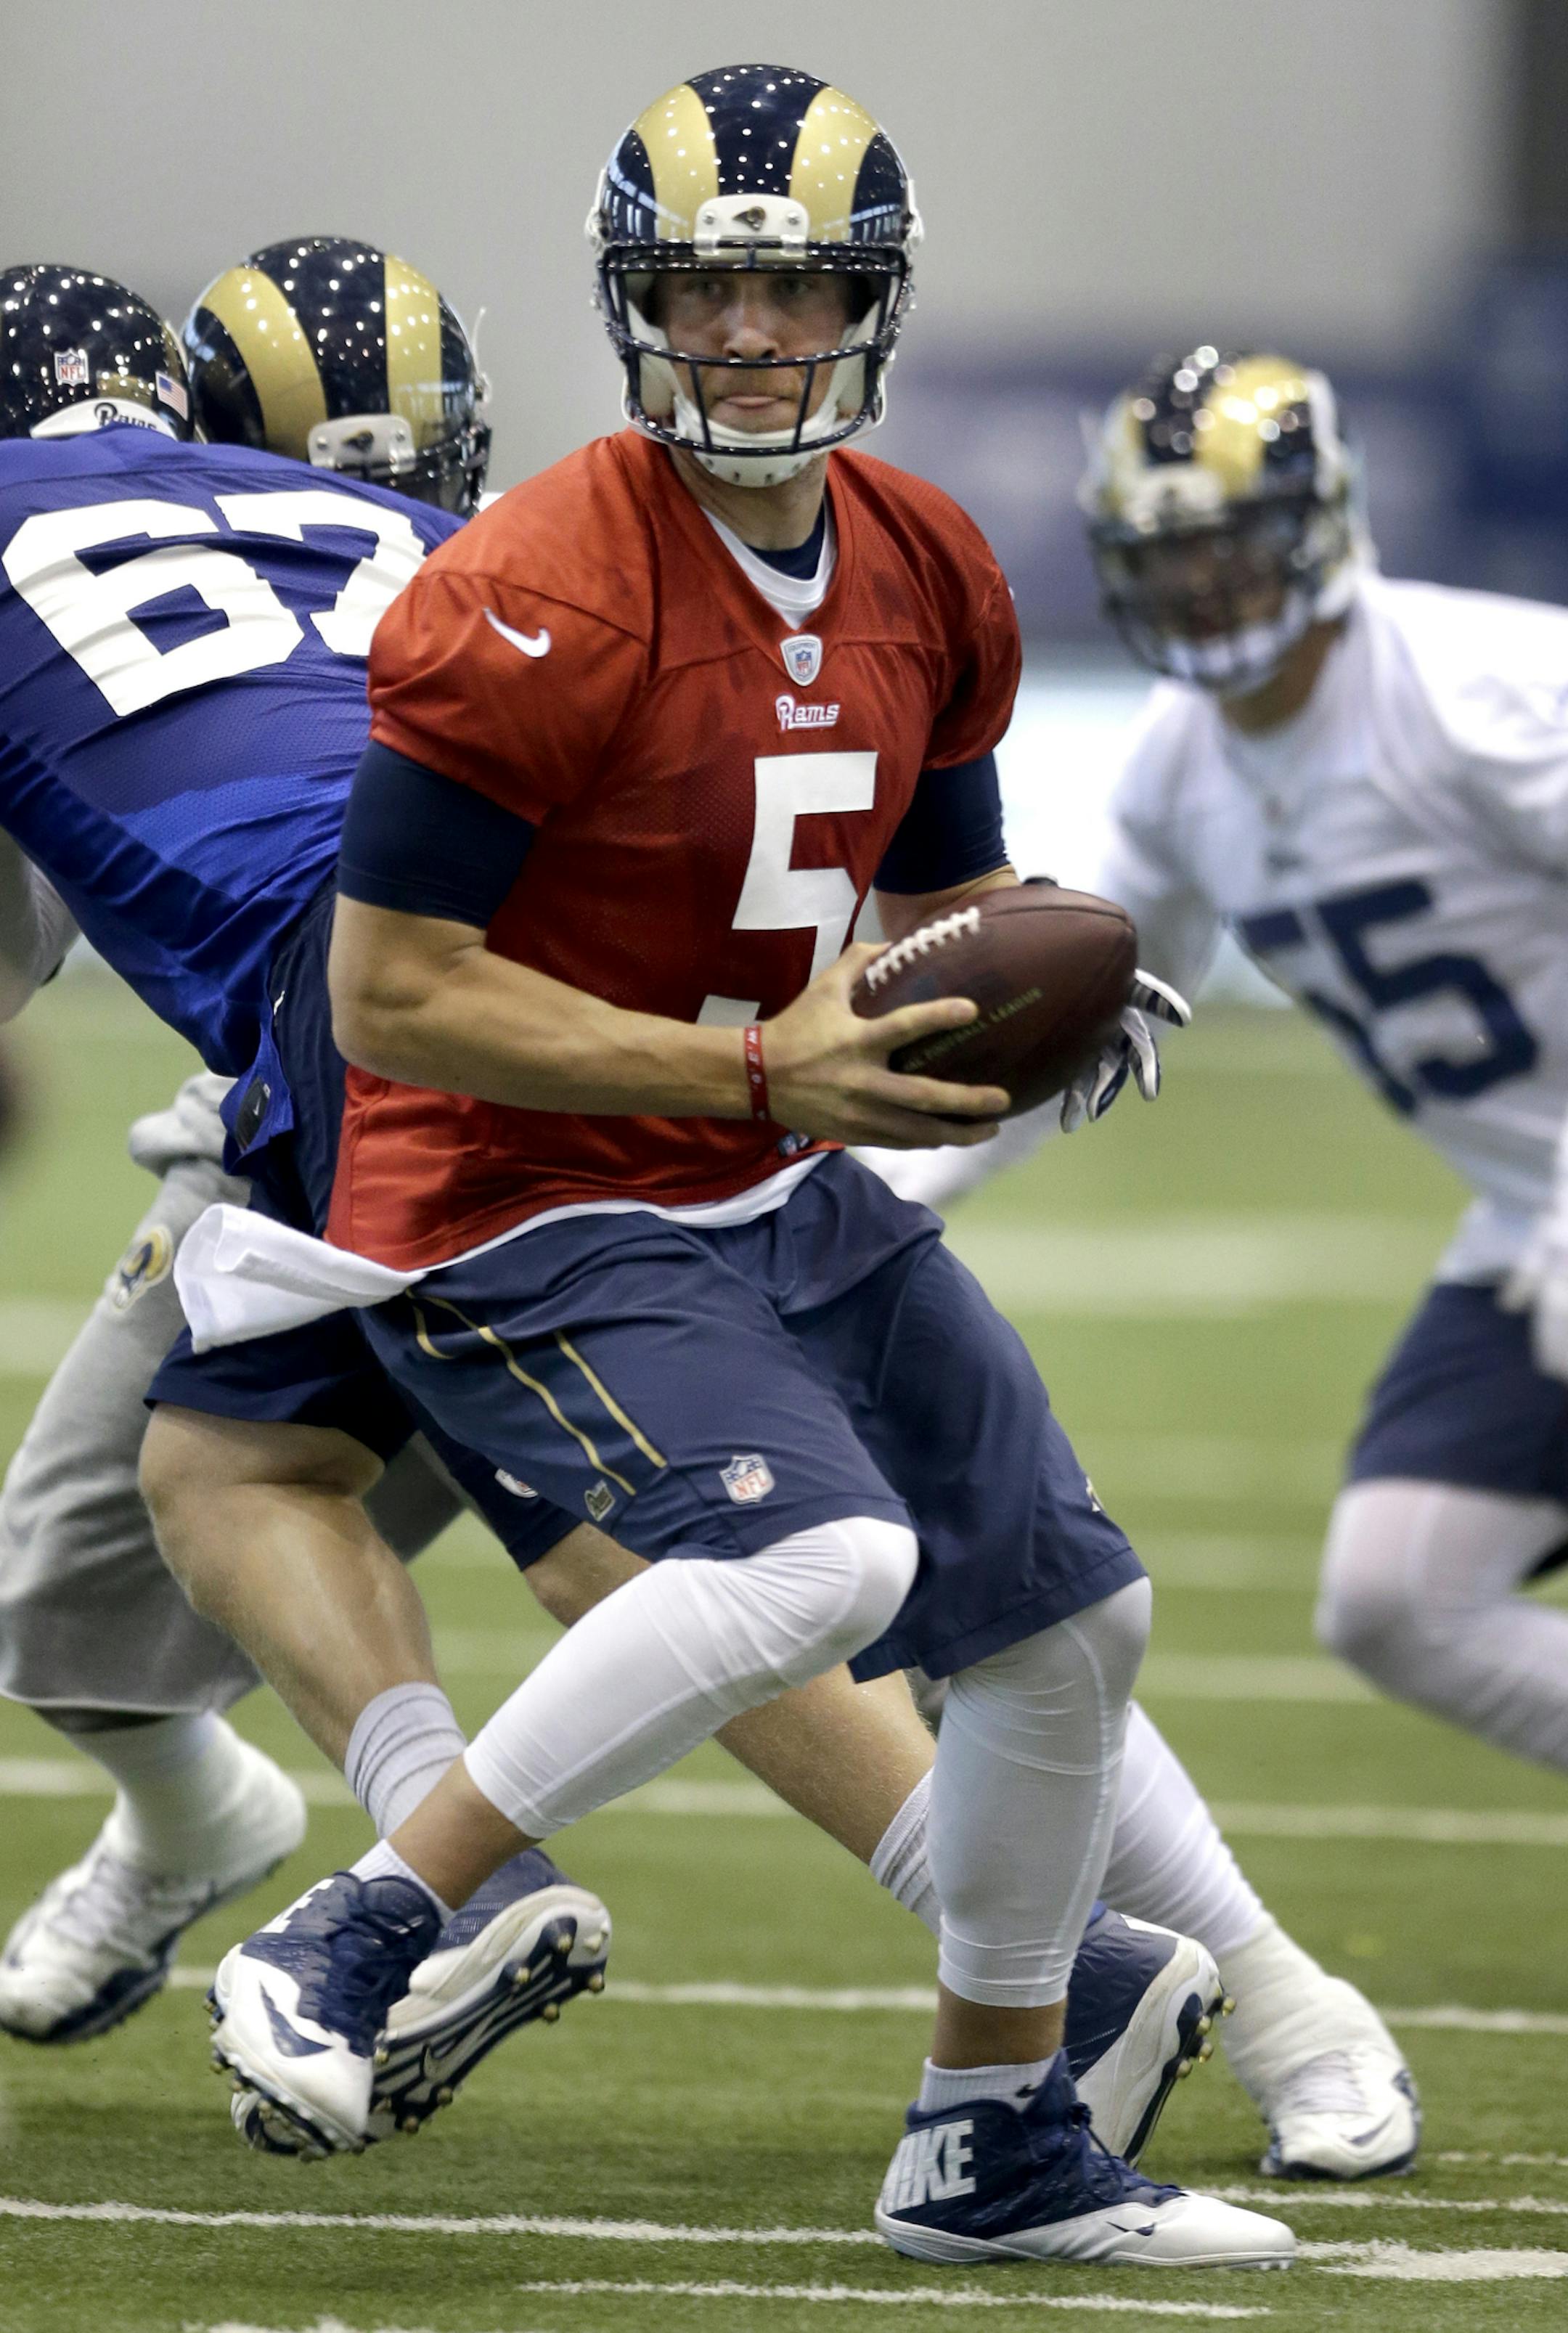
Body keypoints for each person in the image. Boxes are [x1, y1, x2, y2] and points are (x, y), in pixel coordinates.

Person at [185, 67, 1294, 2269]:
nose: (755, 340)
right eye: (711, 290)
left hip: (773, 1176)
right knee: (828, 1567)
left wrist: (1045, 992)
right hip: (516, 1195)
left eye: (798, 291)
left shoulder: (928, 560)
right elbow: (393, 995)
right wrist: (754, 1072)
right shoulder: (528, 590)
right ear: (641, 306)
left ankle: (993, 2133)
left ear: (867, 303)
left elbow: (937, 912)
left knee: (1077, 1620)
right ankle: (370, 1917)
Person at [875, 335, 1568, 2172]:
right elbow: (1098, 1013)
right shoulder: (1189, 759)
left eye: (1233, 545)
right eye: (1168, 555)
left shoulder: (1486, 690)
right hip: (1532, 1216)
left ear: (1325, 526)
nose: (1204, 586)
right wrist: (912, 1175)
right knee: (1404, 1593)